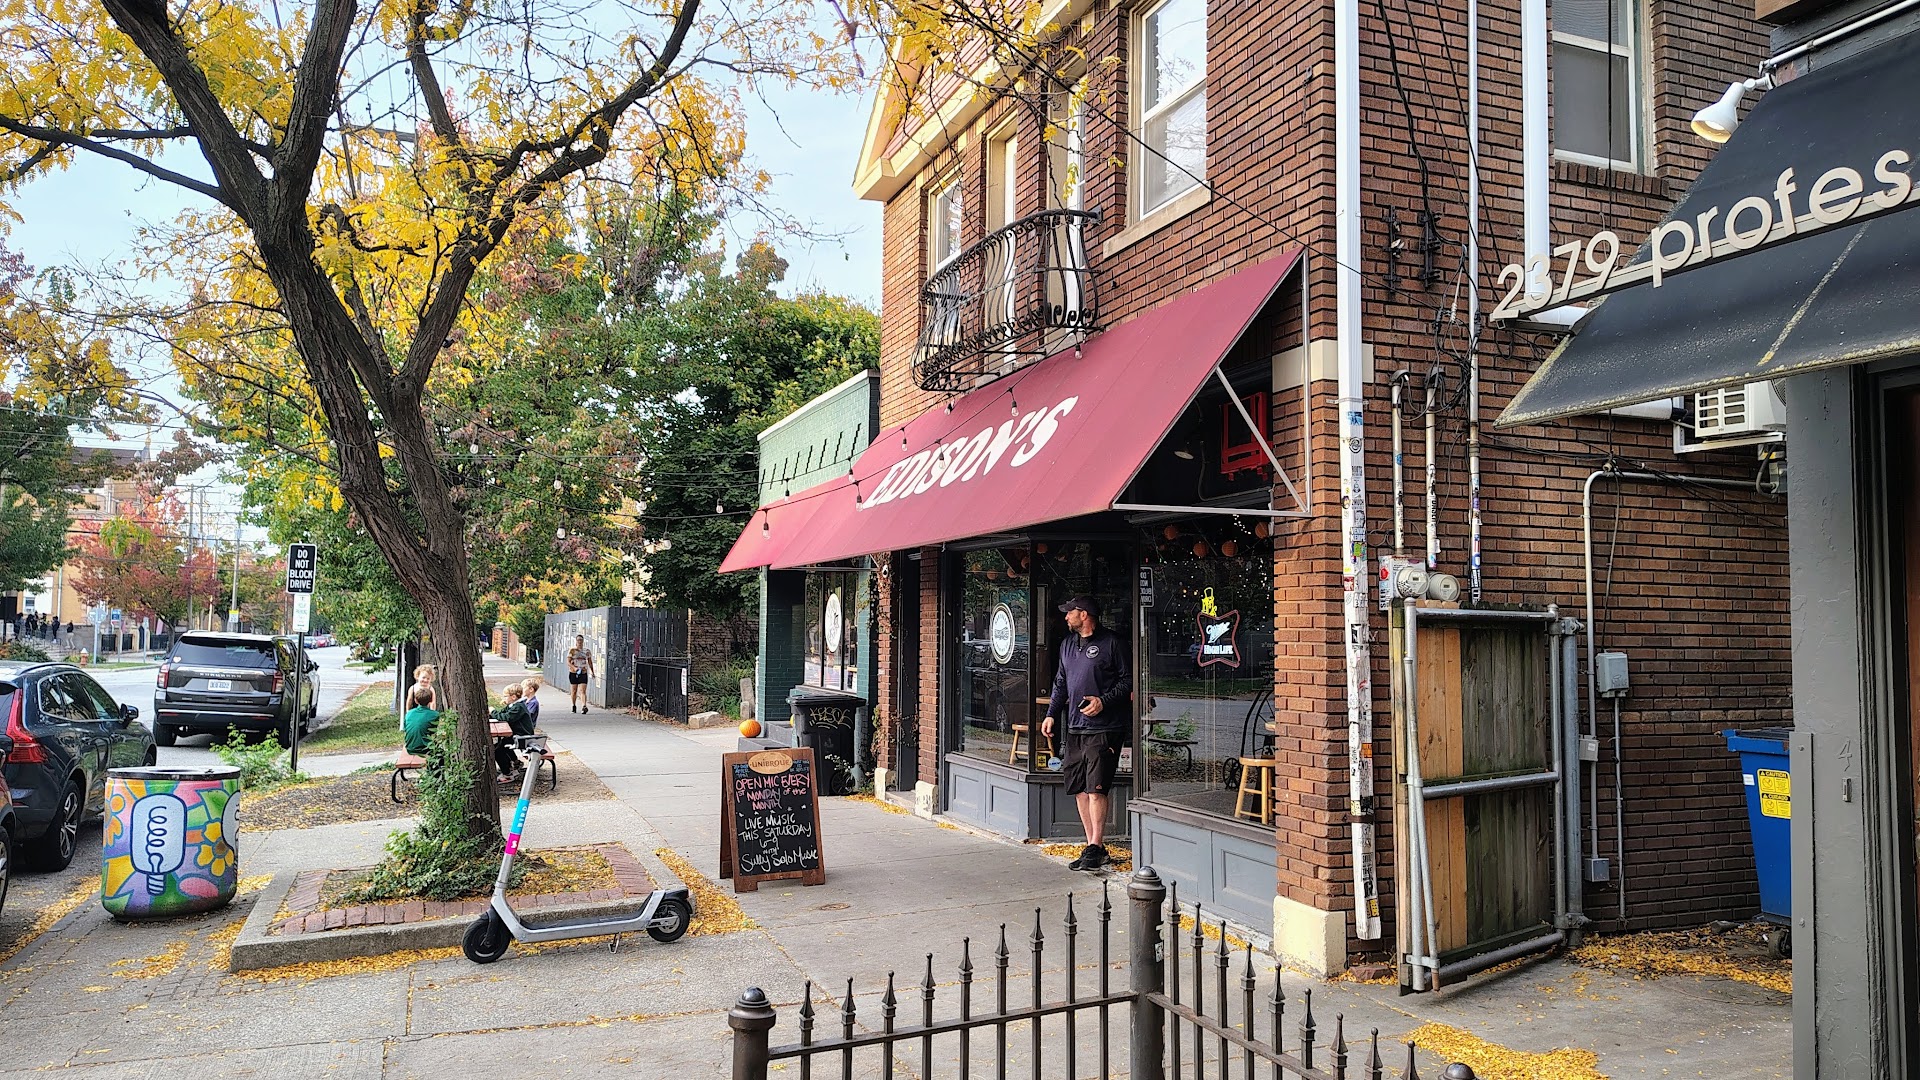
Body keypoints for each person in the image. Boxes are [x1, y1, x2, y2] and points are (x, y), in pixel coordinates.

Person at [1041, 596, 1131, 872]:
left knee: (1096, 788)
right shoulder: (1067, 644)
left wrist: (1103, 701)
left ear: (1084, 614)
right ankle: (1093, 847)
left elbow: (1128, 681)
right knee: (1079, 788)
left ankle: (1095, 844)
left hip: (1105, 728)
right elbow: (1060, 683)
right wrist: (1051, 714)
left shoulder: (1112, 643)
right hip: (1075, 726)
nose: (1066, 617)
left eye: (1070, 612)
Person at [491, 683, 533, 782]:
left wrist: (493, 712)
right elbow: (502, 713)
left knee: (497, 748)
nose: (504, 698)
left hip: (522, 736)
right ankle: (514, 762)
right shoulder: (513, 705)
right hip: (518, 735)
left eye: (505, 696)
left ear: (513, 697)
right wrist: (493, 713)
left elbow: (507, 717)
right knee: (502, 744)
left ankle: (507, 773)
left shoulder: (518, 707)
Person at [402, 685, 442, 757]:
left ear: (416, 700)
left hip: (410, 748)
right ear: (431, 700)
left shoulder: (409, 713)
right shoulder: (435, 715)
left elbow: (406, 729)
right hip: (426, 750)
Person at [565, 635, 595, 714]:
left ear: (583, 641)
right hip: (573, 672)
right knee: (574, 691)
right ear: (576, 641)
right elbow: (568, 662)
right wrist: (574, 668)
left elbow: (590, 662)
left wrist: (592, 672)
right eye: (578, 640)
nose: (579, 641)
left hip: (583, 672)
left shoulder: (586, 651)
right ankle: (573, 705)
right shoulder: (572, 651)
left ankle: (584, 706)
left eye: (581, 640)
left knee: (583, 690)